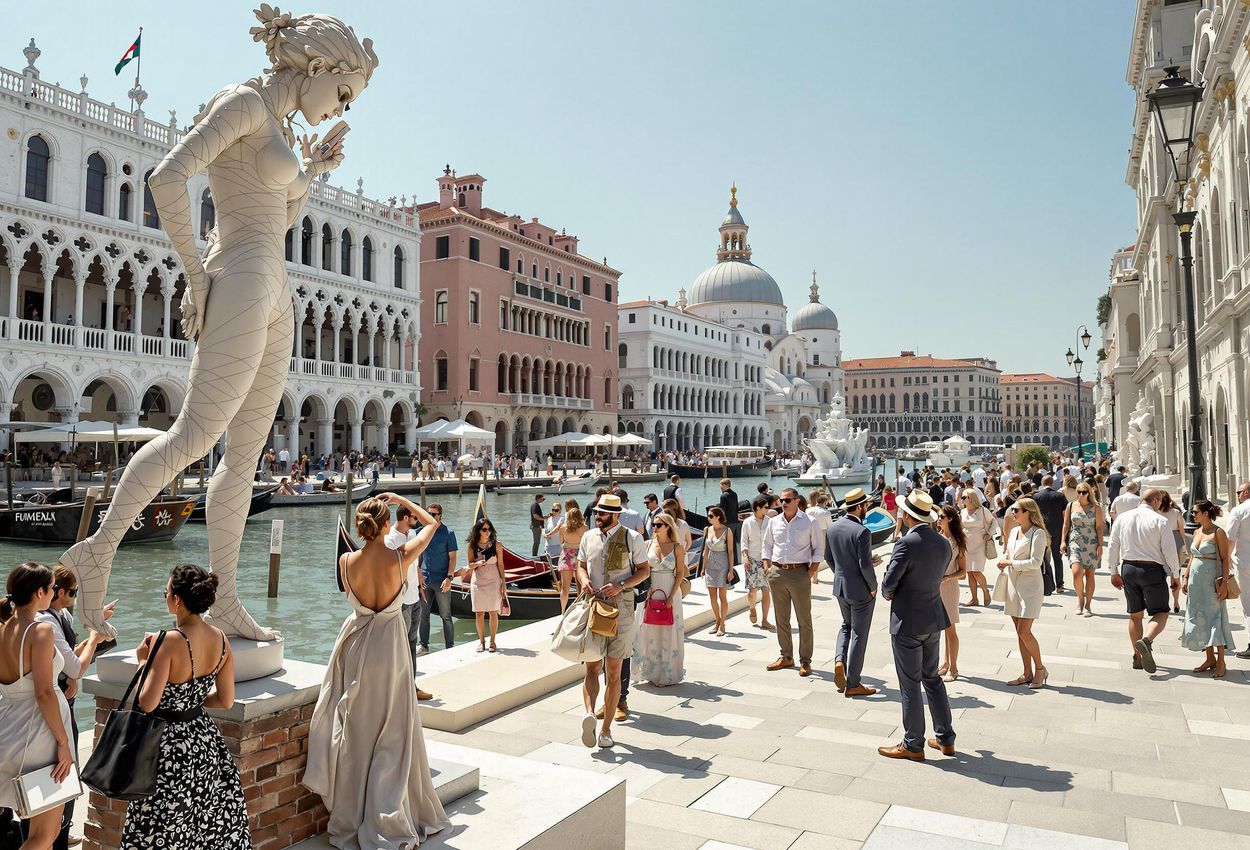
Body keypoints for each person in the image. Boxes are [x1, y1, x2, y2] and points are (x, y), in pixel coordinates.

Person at [58, 7, 376, 644]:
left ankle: (224, 597)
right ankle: (96, 552)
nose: (342, 107)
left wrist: (310, 173)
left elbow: (279, 219)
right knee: (194, 436)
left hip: (275, 287)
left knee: (245, 457)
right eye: (343, 91)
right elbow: (166, 176)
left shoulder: (278, 124)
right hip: (239, 276)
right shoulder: (245, 104)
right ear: (316, 66)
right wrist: (197, 278)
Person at [307, 495, 449, 847]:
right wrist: (403, 499)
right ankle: (387, 808)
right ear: (387, 524)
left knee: (356, 728)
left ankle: (352, 808)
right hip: (389, 648)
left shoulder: (346, 561)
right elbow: (431, 524)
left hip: (355, 645)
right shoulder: (401, 558)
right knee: (392, 729)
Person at [120, 564, 248, 848]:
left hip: (167, 748)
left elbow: (147, 702)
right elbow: (226, 701)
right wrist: (189, 701)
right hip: (204, 744)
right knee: (199, 825)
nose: (165, 597)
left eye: (165, 592)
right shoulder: (222, 639)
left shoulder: (167, 641)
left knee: (159, 825)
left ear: (177, 599)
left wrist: (143, 661)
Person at [878, 491, 956, 761]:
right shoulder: (943, 543)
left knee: (910, 684)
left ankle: (913, 743)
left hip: (908, 620)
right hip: (933, 617)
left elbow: (889, 584)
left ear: (908, 515)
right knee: (932, 678)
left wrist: (888, 591)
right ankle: (946, 738)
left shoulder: (906, 543)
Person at [0, 563, 74, 850]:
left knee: (42, 832)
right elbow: (44, 693)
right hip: (39, 736)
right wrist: (63, 741)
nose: (55, 592)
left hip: (8, 727)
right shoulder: (40, 630)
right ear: (39, 591)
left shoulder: (3, 626)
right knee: (45, 833)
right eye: (53, 588)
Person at [38, 567, 112, 850]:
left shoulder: (60, 617)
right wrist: (93, 637)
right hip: (54, 705)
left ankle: (58, 830)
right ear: (55, 592)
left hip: (61, 700)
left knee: (64, 773)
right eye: (73, 593)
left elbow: (67, 658)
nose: (75, 598)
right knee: (63, 769)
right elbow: (73, 666)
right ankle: (52, 834)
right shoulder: (45, 624)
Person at [575, 494, 650, 749]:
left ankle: (606, 728)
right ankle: (589, 713)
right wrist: (584, 580)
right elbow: (581, 565)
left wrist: (621, 585)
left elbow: (644, 570)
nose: (598, 516)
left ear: (616, 515)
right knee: (592, 667)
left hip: (621, 609)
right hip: (595, 607)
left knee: (614, 670)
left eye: (603, 513)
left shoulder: (633, 538)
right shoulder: (588, 536)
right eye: (597, 512)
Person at [1106, 488, 1182, 674]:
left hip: (1129, 568)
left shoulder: (1123, 518)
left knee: (1135, 615)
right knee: (1161, 613)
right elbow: (1170, 551)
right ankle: (1147, 640)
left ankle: (1137, 656)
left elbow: (1113, 545)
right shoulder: (1160, 521)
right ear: (1156, 501)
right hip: (1152, 570)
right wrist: (1175, 574)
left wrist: (1113, 571)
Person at [762, 487, 823, 677]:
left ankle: (806, 660)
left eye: (788, 500)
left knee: (804, 620)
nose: (784, 503)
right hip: (777, 572)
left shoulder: (810, 521)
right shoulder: (773, 522)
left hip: (800, 573)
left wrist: (811, 572)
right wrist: (767, 567)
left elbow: (819, 548)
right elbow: (767, 545)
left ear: (797, 501)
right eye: (781, 500)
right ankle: (786, 656)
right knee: (781, 618)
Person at [827, 488, 880, 697]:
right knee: (859, 633)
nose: (866, 508)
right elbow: (864, 565)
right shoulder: (862, 531)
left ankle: (840, 659)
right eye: (865, 505)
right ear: (859, 507)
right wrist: (874, 586)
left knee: (846, 626)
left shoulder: (833, 527)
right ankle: (854, 682)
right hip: (860, 590)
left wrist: (842, 574)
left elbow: (830, 558)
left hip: (840, 586)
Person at [1181, 500, 1237, 677]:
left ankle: (1221, 661)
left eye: (1195, 512)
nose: (1193, 515)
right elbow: (1192, 557)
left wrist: (1224, 584)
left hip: (1212, 582)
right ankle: (1209, 658)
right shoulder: (1197, 531)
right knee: (1200, 619)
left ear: (1205, 513)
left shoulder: (1218, 532)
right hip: (1195, 583)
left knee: (1215, 619)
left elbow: (1225, 558)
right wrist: (1186, 576)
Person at [997, 497, 1049, 688]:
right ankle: (1027, 672)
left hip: (1030, 588)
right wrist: (1004, 560)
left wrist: (1010, 563)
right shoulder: (1013, 532)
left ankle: (1040, 669)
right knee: (1019, 633)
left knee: (1024, 631)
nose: (1012, 513)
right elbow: (1009, 554)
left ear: (1028, 512)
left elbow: (1036, 562)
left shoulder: (1038, 533)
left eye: (1016, 510)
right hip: (1013, 585)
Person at [631, 512, 687, 687]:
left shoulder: (677, 547)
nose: (654, 528)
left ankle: (666, 674)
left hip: (670, 590)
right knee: (647, 631)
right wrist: (645, 588)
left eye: (658, 525)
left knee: (668, 631)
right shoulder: (647, 545)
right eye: (653, 525)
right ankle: (649, 671)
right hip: (650, 592)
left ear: (668, 526)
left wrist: (671, 596)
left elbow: (680, 573)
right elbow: (640, 569)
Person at [383, 506, 432, 699]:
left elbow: (415, 562)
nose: (416, 519)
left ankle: (411, 686)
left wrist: (419, 584)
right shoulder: (391, 540)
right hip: (401, 601)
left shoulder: (411, 533)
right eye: (413, 516)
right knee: (400, 647)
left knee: (411, 644)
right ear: (405, 517)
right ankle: (397, 689)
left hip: (414, 598)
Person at [417, 504, 457, 656]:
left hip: (442, 581)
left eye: (434, 514)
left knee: (446, 616)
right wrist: (419, 573)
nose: (431, 516)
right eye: (428, 514)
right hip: (425, 581)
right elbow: (418, 555)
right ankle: (424, 646)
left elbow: (453, 558)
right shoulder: (421, 532)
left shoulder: (448, 533)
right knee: (423, 615)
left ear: (440, 515)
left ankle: (450, 648)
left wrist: (449, 578)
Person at [1061, 482, 1104, 617]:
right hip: (1075, 542)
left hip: (1091, 542)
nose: (1081, 494)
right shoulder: (1071, 505)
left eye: (1084, 492)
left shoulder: (1096, 507)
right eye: (1079, 492)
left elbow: (1099, 527)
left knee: (1090, 575)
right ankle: (1080, 599)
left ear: (1089, 493)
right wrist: (1063, 541)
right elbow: (1066, 525)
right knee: (1076, 572)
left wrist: (1101, 545)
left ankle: (1088, 605)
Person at [466, 517, 507, 653]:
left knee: (493, 612)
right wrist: (478, 564)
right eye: (484, 529)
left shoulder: (497, 544)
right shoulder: (472, 545)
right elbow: (470, 565)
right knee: (479, 613)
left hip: (493, 579)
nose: (487, 532)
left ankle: (492, 642)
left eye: (489, 529)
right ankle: (481, 642)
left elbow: (500, 564)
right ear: (479, 530)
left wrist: (503, 583)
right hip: (478, 579)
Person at [936, 505, 968, 683]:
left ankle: (953, 667)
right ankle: (946, 662)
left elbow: (963, 571)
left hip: (949, 587)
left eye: (941, 516)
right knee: (942, 628)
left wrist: (947, 577)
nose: (938, 519)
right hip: (936, 586)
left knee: (950, 628)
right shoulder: (938, 538)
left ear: (949, 519)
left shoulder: (957, 541)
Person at [739, 496, 773, 630]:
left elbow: (773, 540)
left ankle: (765, 620)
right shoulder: (747, 522)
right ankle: (752, 607)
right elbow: (743, 541)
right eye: (765, 507)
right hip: (752, 559)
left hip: (767, 559)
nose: (768, 509)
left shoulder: (770, 521)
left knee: (766, 590)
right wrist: (745, 557)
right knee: (752, 591)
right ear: (758, 508)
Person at [1032, 475, 1067, 594]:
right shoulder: (1060, 496)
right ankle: (1059, 584)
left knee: (1042, 558)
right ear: (1052, 483)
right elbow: (1064, 514)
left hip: (1042, 530)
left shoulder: (1036, 496)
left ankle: (1046, 583)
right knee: (1058, 559)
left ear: (1042, 483)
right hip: (1057, 530)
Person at [702, 507, 734, 636]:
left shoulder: (727, 531)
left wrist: (731, 570)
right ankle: (717, 620)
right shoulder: (707, 530)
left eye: (710, 516)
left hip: (723, 564)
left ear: (718, 517)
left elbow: (731, 552)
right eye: (708, 516)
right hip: (710, 565)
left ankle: (722, 624)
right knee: (712, 595)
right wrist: (703, 568)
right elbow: (706, 551)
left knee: (722, 596)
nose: (708, 518)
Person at [959, 489, 994, 606]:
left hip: (979, 545)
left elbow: (993, 522)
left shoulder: (983, 511)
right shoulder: (963, 512)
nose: (962, 499)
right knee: (969, 572)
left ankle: (985, 591)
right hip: (966, 546)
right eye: (962, 497)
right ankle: (974, 598)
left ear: (971, 498)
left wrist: (989, 533)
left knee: (976, 571)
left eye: (964, 497)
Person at [1228, 482, 1250, 659]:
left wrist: (1225, 559)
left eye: (1239, 492)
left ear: (1246, 492)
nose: (1237, 495)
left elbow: (1230, 538)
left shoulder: (1240, 510)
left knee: (1248, 604)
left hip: (1245, 561)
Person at [555, 502, 588, 614]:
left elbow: (561, 542)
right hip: (580, 556)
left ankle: (563, 612)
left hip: (567, 556)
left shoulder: (563, 528)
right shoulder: (585, 527)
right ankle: (579, 611)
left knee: (565, 588)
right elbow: (587, 543)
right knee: (581, 586)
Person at [1159, 492, 1187, 615]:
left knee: (1161, 574)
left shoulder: (1156, 513)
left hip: (1160, 540)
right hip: (1175, 539)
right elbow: (1182, 529)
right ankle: (1176, 602)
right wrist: (1184, 545)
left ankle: (1163, 602)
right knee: (1176, 572)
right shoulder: (1176, 512)